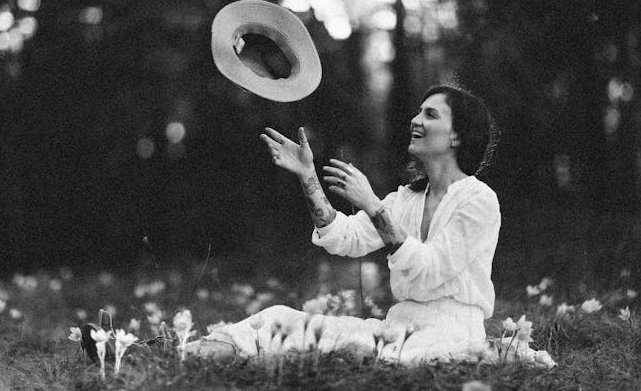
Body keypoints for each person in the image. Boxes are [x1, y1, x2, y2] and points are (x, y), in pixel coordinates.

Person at [192, 84, 507, 364]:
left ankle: (229, 359)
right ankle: (190, 353)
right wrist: (308, 176)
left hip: (452, 333)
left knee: (359, 351)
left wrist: (372, 204)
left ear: (457, 135)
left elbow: (430, 269)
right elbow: (344, 237)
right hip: (397, 326)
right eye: (417, 112)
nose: (415, 119)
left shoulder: (479, 200)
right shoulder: (406, 199)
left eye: (430, 114)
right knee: (279, 318)